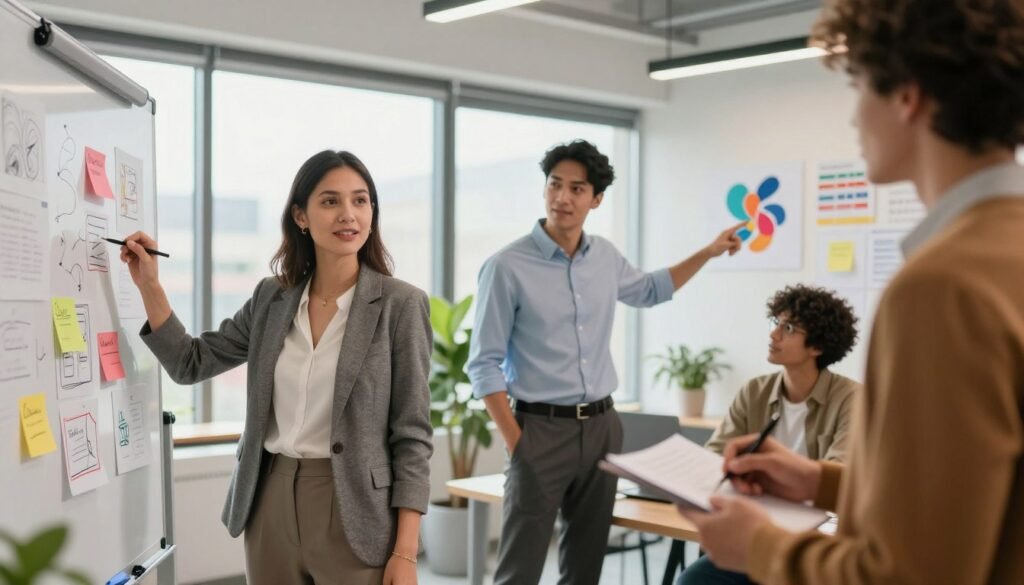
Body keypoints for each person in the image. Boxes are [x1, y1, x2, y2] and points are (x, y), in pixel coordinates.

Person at [678, 1, 1024, 583]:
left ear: (907, 96)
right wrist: (823, 481)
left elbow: (913, 574)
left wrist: (758, 546)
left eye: (859, 86)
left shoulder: (942, 286)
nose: (854, 117)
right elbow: (982, 495)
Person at [121, 150, 432, 585]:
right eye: (330, 201)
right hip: (269, 499)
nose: (349, 214)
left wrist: (406, 552)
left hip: (356, 510)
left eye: (360, 201)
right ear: (301, 217)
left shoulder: (402, 305)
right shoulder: (273, 298)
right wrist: (150, 285)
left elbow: (412, 435)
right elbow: (190, 363)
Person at [467, 139, 745, 585]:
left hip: (603, 428)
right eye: (555, 184)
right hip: (539, 430)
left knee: (586, 567)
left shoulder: (605, 258)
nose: (563, 197)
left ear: (596, 199)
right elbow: (483, 364)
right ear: (544, 190)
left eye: (577, 189)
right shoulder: (506, 266)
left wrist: (708, 252)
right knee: (518, 571)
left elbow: (652, 289)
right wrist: (519, 443)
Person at [679, 284, 860, 585]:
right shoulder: (754, 392)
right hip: (753, 528)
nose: (773, 335)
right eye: (775, 323)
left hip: (813, 543)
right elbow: (715, 456)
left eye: (788, 328)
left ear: (816, 346)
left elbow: (838, 472)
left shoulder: (851, 399)